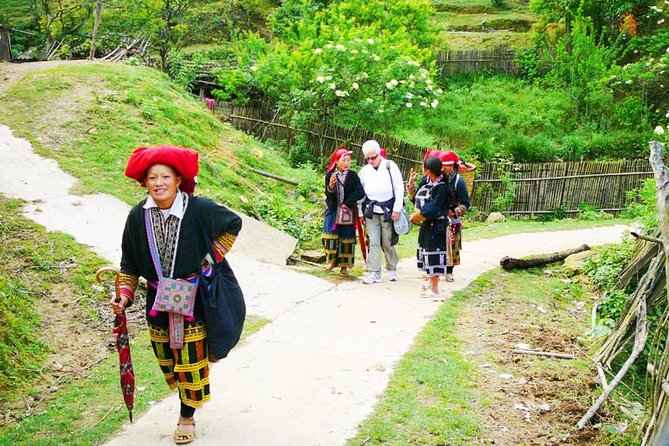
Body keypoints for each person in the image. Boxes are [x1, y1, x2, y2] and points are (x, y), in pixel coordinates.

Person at [112, 145, 243, 445]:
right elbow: (129, 261)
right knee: (169, 361)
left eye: (165, 177)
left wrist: (209, 262)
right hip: (157, 302)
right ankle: (190, 385)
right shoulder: (137, 216)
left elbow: (233, 224)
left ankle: (186, 417)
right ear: (144, 182)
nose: (158, 183)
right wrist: (125, 293)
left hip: (193, 301)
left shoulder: (199, 209)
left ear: (178, 180)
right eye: (152, 177)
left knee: (189, 363)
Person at [358, 139, 404, 284]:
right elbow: (360, 194)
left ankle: (391, 268)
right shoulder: (364, 171)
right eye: (368, 158)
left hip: (388, 210)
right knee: (373, 242)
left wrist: (396, 209)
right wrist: (360, 212)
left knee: (387, 241)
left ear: (379, 154)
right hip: (371, 211)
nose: (371, 161)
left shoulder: (390, 166)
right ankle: (374, 272)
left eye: (373, 157)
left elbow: (399, 188)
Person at [408, 156, 449, 297]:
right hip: (426, 225)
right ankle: (431, 282)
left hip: (437, 226)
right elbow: (415, 199)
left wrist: (417, 216)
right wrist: (411, 187)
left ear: (428, 170)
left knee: (434, 254)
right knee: (426, 253)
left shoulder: (442, 187)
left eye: (423, 167)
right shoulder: (426, 181)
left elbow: (434, 208)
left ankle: (435, 288)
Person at [322, 147, 365, 276]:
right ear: (336, 161)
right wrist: (331, 187)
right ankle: (331, 262)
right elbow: (328, 195)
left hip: (347, 213)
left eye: (348, 160)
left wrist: (348, 203)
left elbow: (360, 192)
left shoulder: (352, 175)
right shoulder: (330, 175)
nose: (347, 163)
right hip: (334, 212)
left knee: (346, 239)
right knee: (330, 236)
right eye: (344, 160)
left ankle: (344, 267)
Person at [438, 151, 470, 282]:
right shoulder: (438, 178)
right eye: (442, 165)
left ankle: (449, 272)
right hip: (439, 216)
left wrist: (455, 211)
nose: (444, 168)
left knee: (452, 245)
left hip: (452, 218)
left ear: (452, 166)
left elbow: (465, 203)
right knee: (438, 244)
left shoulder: (459, 181)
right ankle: (436, 270)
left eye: (446, 165)